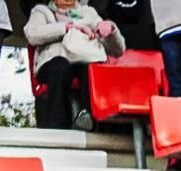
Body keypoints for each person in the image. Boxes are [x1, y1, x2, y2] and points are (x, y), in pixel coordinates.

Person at [24, 0, 126, 131]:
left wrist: (110, 30)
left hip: (84, 59)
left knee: (91, 70)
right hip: (54, 60)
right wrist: (66, 28)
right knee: (60, 67)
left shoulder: (89, 13)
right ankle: (58, 127)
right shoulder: (42, 11)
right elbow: (32, 34)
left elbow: (118, 50)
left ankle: (90, 120)